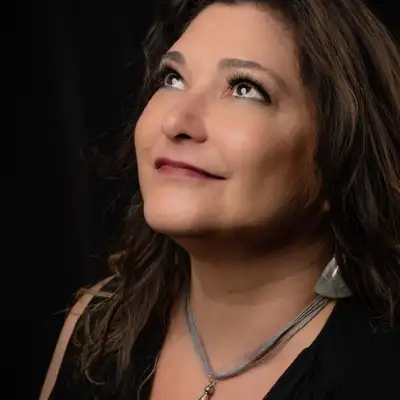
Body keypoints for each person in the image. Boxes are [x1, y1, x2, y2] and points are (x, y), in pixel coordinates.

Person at [40, 0, 400, 399]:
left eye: (245, 89)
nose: (175, 121)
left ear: (342, 156)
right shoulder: (99, 322)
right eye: (173, 79)